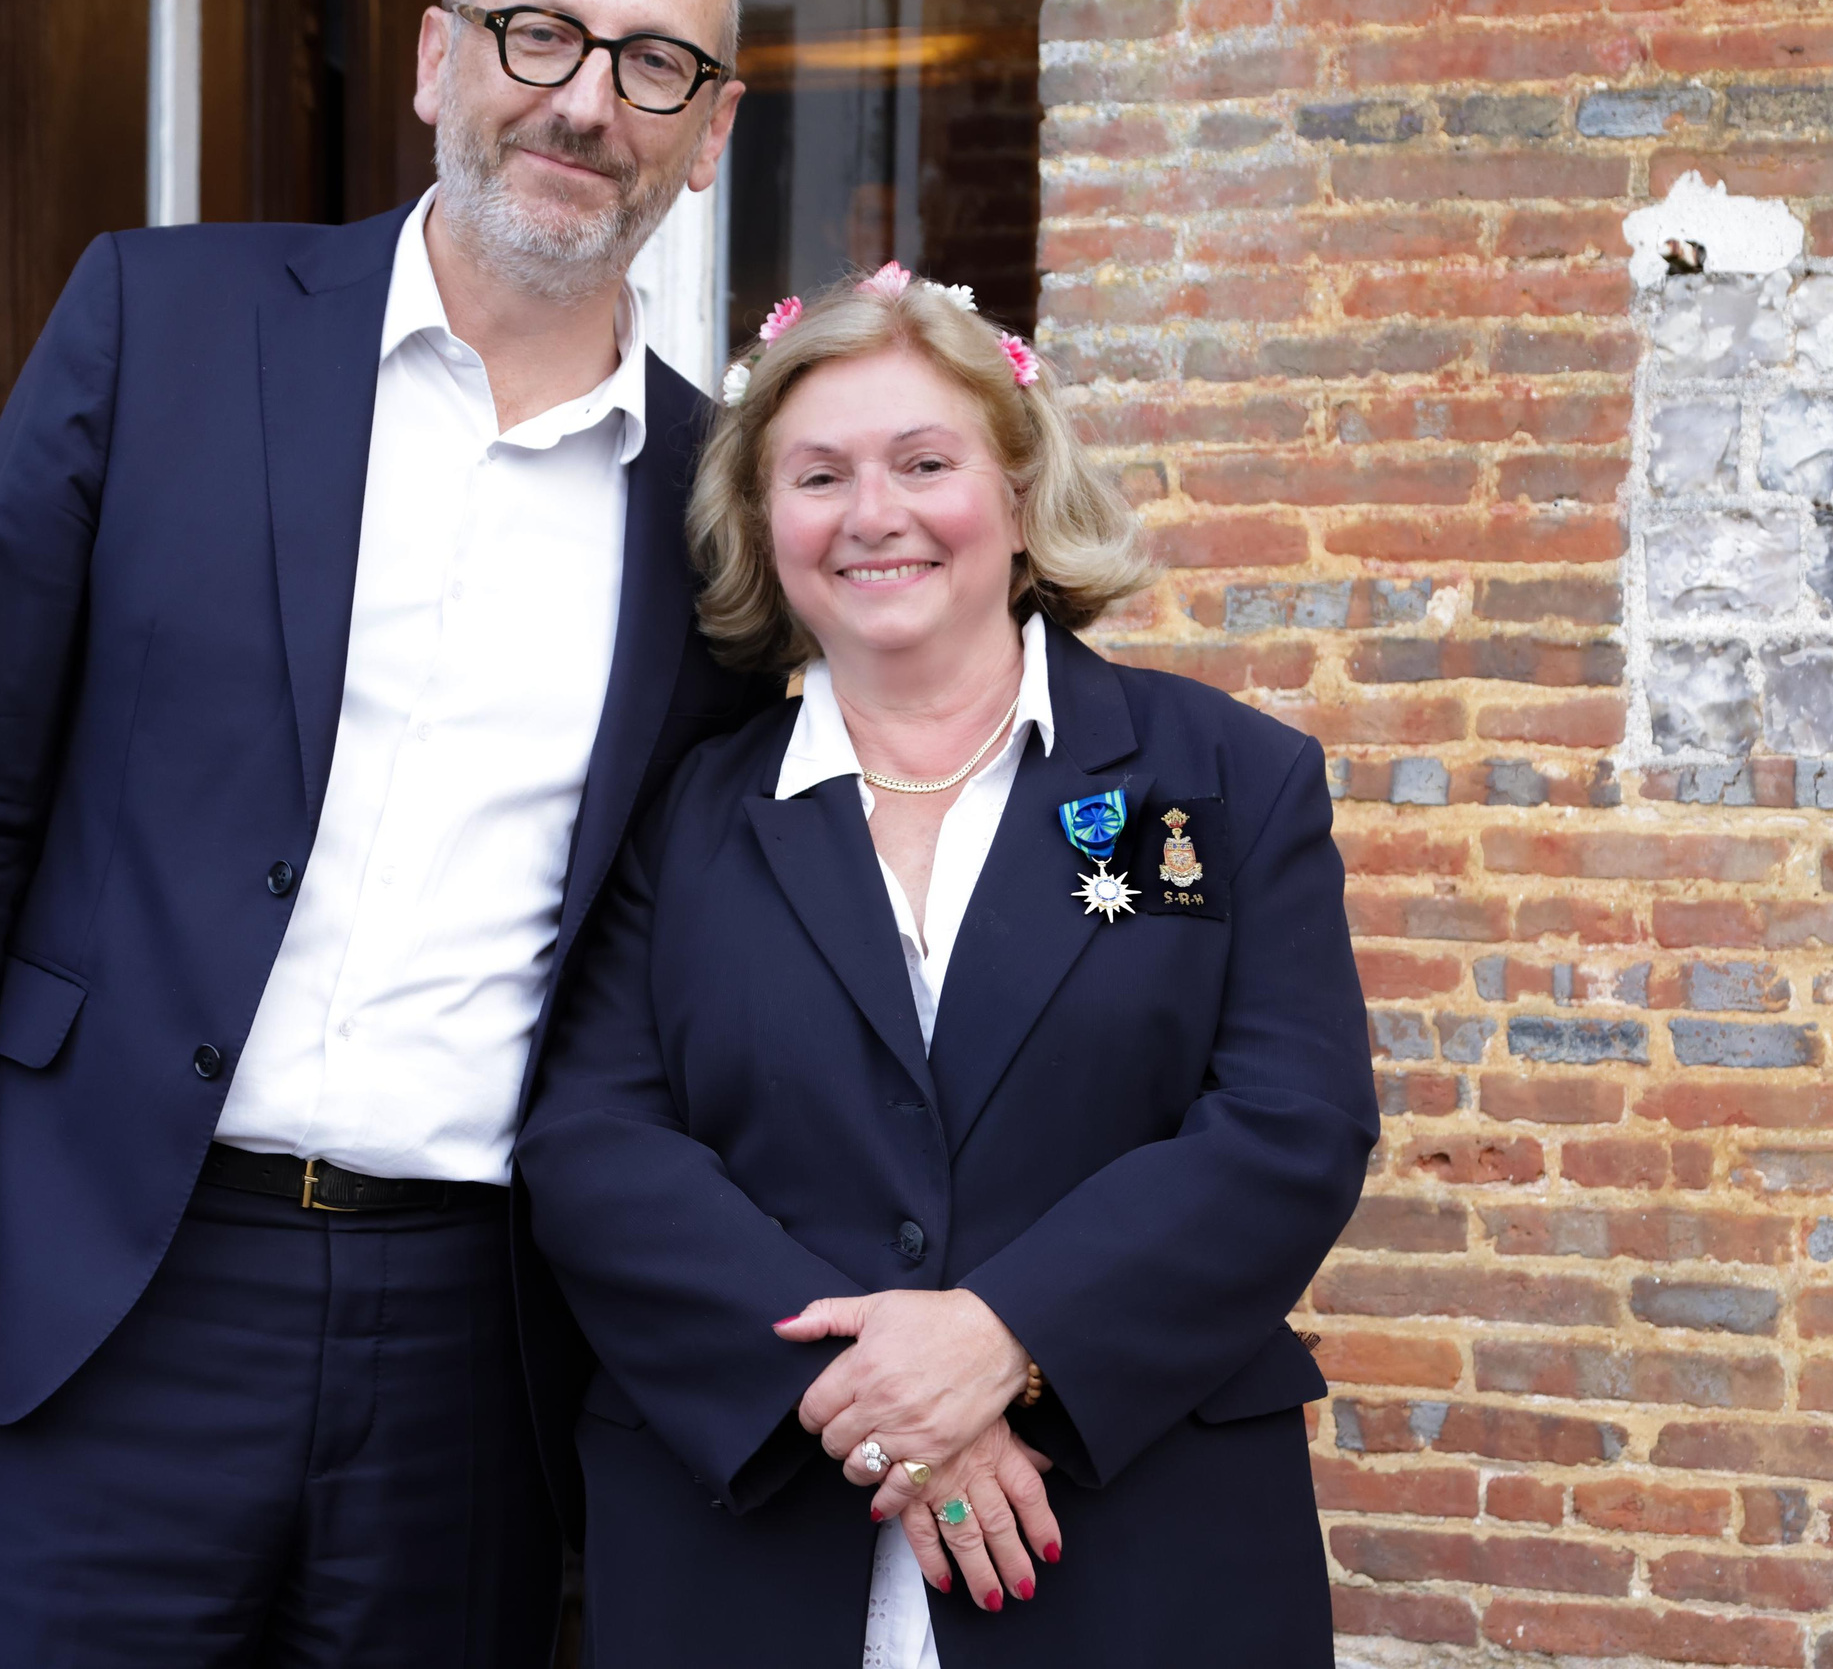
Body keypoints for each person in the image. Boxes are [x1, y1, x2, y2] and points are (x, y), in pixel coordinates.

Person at [0, 0, 783, 1664]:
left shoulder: (718, 512)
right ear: (435, 60)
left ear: (709, 136)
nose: (582, 102)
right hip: (98, 1291)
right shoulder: (157, 326)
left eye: (654, 67)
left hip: (473, 1351)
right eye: (537, 35)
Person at [521, 267, 1378, 1666]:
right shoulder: (676, 810)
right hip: (748, 1545)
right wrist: (874, 1396)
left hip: (1135, 1538)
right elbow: (595, 1141)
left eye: (925, 463)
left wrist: (1009, 1335)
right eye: (818, 475)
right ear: (762, 519)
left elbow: (1290, 1128)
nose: (875, 516)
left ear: (1024, 491)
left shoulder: (1225, 780)